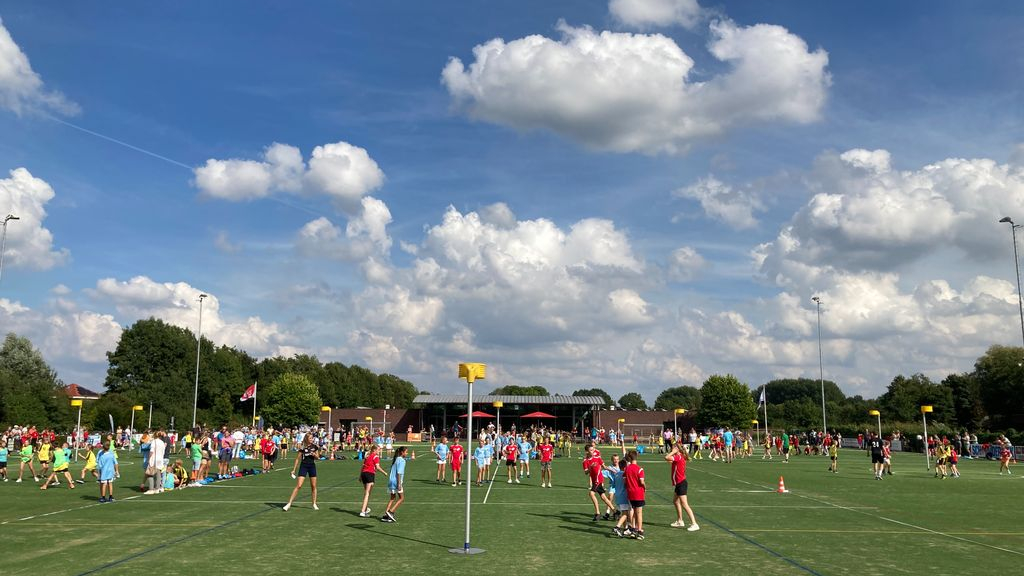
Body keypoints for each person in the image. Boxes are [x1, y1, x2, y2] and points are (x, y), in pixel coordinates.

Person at [665, 444, 699, 531]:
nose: (671, 448)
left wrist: (673, 452)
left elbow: (666, 457)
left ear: (677, 450)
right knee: (675, 501)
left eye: (673, 448)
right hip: (679, 483)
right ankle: (680, 520)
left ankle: (694, 523)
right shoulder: (678, 457)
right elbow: (669, 460)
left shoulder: (679, 457)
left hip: (681, 483)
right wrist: (672, 453)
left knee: (684, 504)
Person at [283, 434, 320, 511]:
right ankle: (289, 504)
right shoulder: (302, 447)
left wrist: (314, 455)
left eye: (312, 438)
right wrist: (294, 469)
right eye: (310, 438)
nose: (311, 439)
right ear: (306, 439)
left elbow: (318, 457)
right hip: (304, 466)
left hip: (312, 466)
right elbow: (297, 459)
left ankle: (314, 503)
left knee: (313, 486)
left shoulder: (315, 447)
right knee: (299, 485)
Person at [381, 446, 411, 523]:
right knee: (401, 498)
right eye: (406, 452)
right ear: (402, 452)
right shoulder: (402, 461)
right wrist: (399, 484)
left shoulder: (396, 459)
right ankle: (391, 512)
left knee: (392, 498)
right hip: (396, 481)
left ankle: (386, 515)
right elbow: (399, 473)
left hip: (391, 481)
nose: (407, 453)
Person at [584, 445, 613, 521]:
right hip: (594, 481)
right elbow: (586, 472)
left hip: (598, 480)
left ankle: (597, 513)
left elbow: (605, 467)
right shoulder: (585, 461)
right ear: (587, 451)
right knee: (603, 497)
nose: (593, 451)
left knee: (591, 493)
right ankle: (615, 511)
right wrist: (590, 467)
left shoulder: (598, 458)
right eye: (591, 450)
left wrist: (613, 470)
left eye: (593, 450)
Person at [358, 443, 387, 517]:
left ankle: (365, 509)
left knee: (367, 493)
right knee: (367, 494)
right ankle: (362, 511)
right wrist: (384, 472)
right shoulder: (375, 457)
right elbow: (377, 467)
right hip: (370, 474)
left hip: (364, 474)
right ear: (374, 450)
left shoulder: (367, 456)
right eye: (378, 450)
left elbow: (363, 466)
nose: (379, 451)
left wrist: (360, 476)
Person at [623, 449, 646, 539]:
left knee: (633, 511)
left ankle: (633, 529)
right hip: (638, 493)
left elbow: (624, 481)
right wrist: (645, 486)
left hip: (630, 493)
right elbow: (641, 481)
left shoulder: (627, 468)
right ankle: (639, 531)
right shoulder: (639, 469)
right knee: (639, 513)